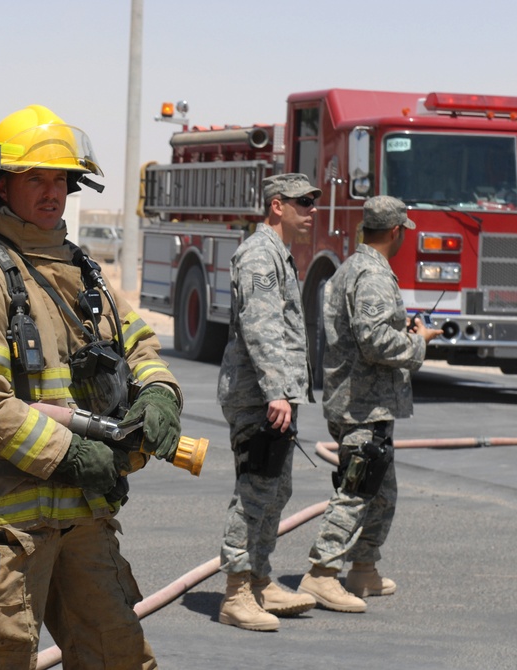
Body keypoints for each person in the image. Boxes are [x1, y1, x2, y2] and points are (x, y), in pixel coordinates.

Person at [0, 104, 183, 669]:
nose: (52, 193)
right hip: (9, 525)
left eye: (61, 180)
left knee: (118, 655)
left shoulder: (83, 270)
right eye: (35, 179)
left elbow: (137, 343)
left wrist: (160, 391)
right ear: (0, 187)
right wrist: (67, 452)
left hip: (85, 518)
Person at [297, 195, 441, 612]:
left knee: (381, 493)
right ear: (395, 232)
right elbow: (374, 340)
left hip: (366, 403)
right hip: (361, 405)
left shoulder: (354, 268)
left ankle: (363, 569)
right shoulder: (372, 275)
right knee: (357, 491)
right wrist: (418, 342)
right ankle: (322, 574)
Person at [215, 173, 320, 631]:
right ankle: (236, 592)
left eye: (313, 203)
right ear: (277, 206)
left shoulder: (278, 253)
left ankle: (259, 578)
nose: (311, 211)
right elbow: (261, 327)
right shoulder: (260, 254)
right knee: (255, 492)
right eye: (302, 203)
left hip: (275, 394)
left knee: (277, 490)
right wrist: (277, 391)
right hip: (257, 395)